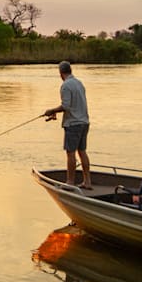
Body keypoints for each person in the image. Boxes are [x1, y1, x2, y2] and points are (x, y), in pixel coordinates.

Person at [43, 61, 91, 189]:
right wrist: (56, 113)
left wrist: (52, 111)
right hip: (84, 122)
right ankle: (87, 181)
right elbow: (73, 105)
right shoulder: (79, 83)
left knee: (70, 153)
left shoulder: (65, 85)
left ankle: (70, 182)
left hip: (73, 124)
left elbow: (66, 106)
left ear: (61, 73)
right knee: (82, 151)